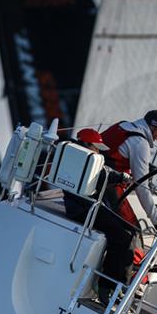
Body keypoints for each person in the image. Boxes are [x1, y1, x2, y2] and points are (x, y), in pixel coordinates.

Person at [63, 129, 136, 301]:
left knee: (127, 232)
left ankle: (118, 283)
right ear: (87, 145)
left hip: (81, 207)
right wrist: (123, 177)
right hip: (84, 209)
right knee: (123, 236)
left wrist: (118, 176)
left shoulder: (73, 155)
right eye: (96, 147)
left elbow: (102, 172)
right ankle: (107, 287)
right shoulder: (86, 159)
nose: (98, 151)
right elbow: (103, 174)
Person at [100, 110, 157, 231]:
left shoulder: (122, 125)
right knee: (132, 231)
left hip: (94, 180)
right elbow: (141, 185)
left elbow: (111, 154)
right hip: (107, 187)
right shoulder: (140, 143)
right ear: (153, 126)